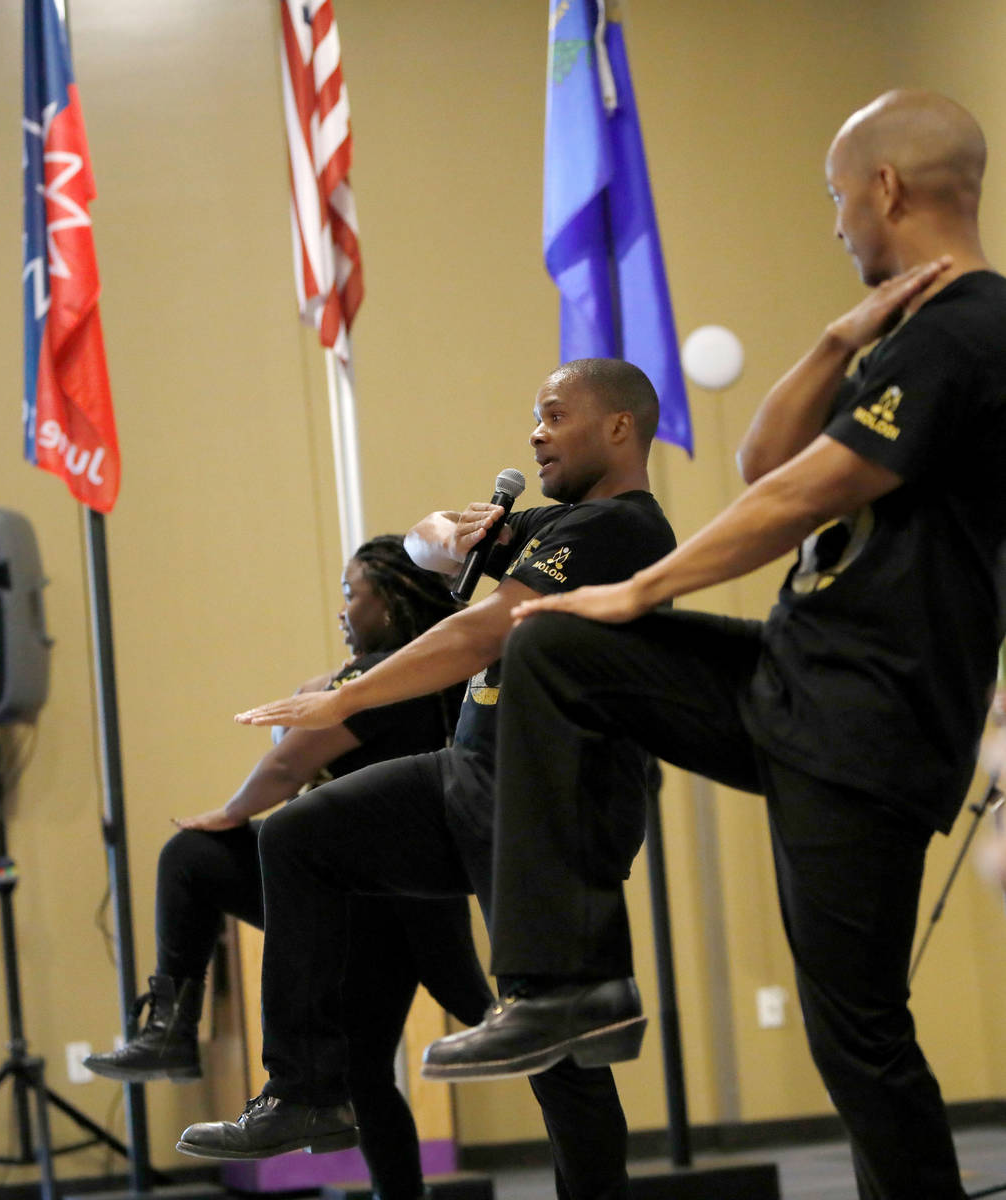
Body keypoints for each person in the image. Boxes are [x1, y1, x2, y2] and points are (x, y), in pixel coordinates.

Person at [421, 90, 1006, 1200]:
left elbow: (798, 495)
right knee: (549, 648)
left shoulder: (975, 331)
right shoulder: (915, 333)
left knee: (856, 1037)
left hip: (871, 723)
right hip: (792, 682)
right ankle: (563, 984)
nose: (836, 224)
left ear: (885, 188)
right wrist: (843, 335)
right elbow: (760, 458)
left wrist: (637, 588)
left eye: (838, 198)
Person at [176, 357, 678, 1200]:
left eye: (554, 416)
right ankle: (305, 1093)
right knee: (299, 836)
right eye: (534, 418)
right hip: (471, 776)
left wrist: (351, 692)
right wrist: (442, 537)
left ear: (619, 427)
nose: (535, 434)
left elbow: (480, 629)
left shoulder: (622, 530)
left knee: (553, 1047)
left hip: (551, 806)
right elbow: (419, 552)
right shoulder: (556, 529)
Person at [84, 535, 494, 1200]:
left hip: (363, 904)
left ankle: (169, 1032)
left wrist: (228, 813)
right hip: (399, 909)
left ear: (387, 603)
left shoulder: (378, 681)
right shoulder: (418, 675)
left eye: (350, 594)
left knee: (194, 855)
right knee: (365, 1072)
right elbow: (308, 708)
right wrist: (325, 684)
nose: (341, 610)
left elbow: (287, 763)